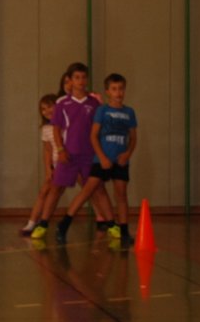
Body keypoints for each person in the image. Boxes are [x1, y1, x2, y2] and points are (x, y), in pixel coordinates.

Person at [31, 62, 118, 240]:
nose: (80, 81)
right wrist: (60, 149)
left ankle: (112, 225)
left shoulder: (94, 103)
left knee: (98, 189)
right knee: (56, 189)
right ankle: (43, 224)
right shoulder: (62, 103)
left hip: (89, 155)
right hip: (68, 154)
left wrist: (103, 153)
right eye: (77, 77)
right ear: (70, 80)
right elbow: (56, 129)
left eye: (84, 77)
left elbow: (100, 128)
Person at [55, 73, 137, 246]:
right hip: (102, 160)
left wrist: (128, 153)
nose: (118, 92)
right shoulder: (102, 110)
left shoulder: (129, 112)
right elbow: (93, 136)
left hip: (121, 161)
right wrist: (101, 157)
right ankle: (64, 224)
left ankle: (124, 231)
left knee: (121, 195)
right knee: (87, 191)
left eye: (121, 89)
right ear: (107, 92)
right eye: (114, 89)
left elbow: (133, 138)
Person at [21, 94, 58, 236]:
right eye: (43, 109)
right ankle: (32, 222)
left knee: (90, 189)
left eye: (50, 107)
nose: (47, 111)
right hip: (56, 165)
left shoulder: (65, 125)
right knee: (44, 192)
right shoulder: (46, 129)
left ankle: (105, 219)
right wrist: (48, 169)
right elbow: (47, 150)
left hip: (69, 163)